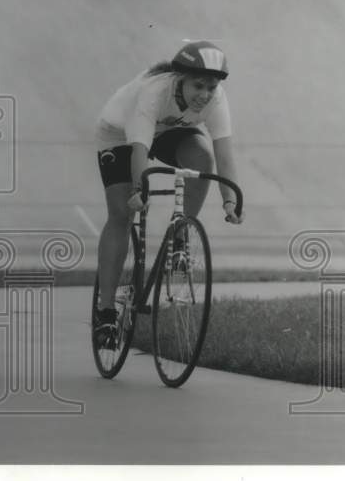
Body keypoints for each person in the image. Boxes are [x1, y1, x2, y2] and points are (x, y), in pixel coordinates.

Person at [92, 39, 245, 349]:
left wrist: (230, 200)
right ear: (180, 79)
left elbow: (224, 155)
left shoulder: (216, 100)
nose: (204, 95)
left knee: (203, 160)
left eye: (211, 88)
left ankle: (180, 236)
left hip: (171, 129)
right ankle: (105, 310)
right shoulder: (154, 92)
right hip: (121, 135)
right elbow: (139, 149)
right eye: (198, 86)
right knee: (122, 214)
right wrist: (137, 190)